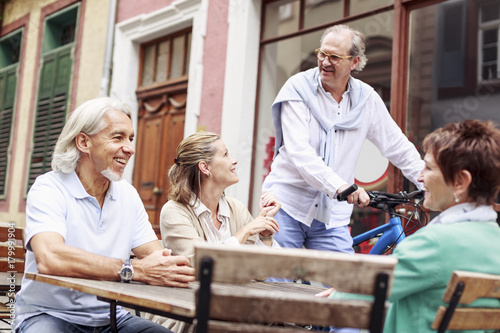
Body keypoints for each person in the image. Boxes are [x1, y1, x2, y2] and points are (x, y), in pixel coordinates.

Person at [14, 97, 195, 333]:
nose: (130, 148)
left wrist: (173, 266)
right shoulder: (49, 188)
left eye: (131, 138)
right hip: (48, 314)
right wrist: (136, 270)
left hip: (111, 317)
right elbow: (51, 258)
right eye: (118, 137)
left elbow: (155, 257)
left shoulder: (127, 194)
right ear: (83, 142)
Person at [262, 24, 424, 254]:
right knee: (275, 282)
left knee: (345, 285)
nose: (325, 62)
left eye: (335, 57)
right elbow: (300, 152)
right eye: (322, 54)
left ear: (354, 62)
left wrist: (426, 181)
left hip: (332, 217)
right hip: (287, 205)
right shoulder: (297, 89)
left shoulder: (366, 99)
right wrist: (340, 186)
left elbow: (396, 145)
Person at [145, 131, 281, 332]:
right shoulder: (174, 211)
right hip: (187, 314)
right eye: (225, 155)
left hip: (232, 310)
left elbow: (262, 274)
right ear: (205, 167)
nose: (234, 161)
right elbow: (199, 265)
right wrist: (243, 233)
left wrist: (265, 234)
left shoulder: (236, 208)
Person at [382, 119, 500, 333]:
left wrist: (340, 290)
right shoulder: (495, 241)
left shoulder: (432, 243)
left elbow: (359, 291)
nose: (419, 176)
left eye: (428, 167)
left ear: (460, 182)